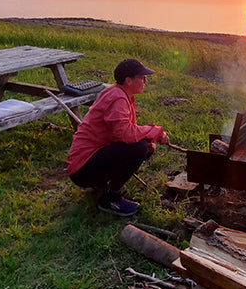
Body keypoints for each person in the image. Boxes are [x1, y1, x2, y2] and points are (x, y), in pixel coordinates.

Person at [66, 58, 169, 216]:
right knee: (138, 148)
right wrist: (156, 132)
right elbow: (126, 134)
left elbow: (123, 133)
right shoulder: (118, 97)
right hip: (82, 168)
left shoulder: (121, 94)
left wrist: (150, 137)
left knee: (143, 145)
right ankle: (111, 199)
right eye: (142, 78)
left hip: (89, 161)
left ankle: (103, 185)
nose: (145, 82)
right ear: (128, 80)